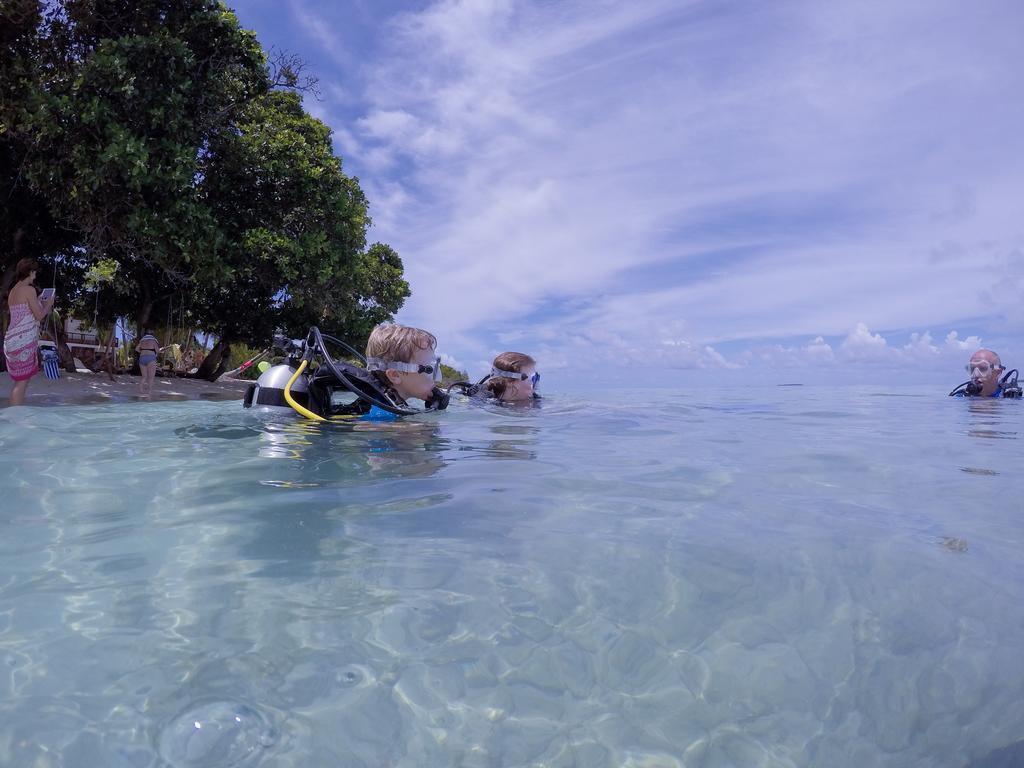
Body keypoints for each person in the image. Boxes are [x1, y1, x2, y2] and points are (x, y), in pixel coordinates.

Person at [362, 323, 449, 417]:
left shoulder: (392, 405)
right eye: (429, 370)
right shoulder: (381, 414)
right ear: (394, 375)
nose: (436, 379)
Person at [4, 258, 55, 406]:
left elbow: (24, 311)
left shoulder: (13, 290)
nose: (35, 275)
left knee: (19, 382)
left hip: (11, 339)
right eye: (34, 272)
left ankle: (14, 414)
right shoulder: (29, 289)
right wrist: (48, 304)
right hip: (22, 341)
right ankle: (15, 416)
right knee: (21, 383)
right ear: (29, 272)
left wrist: (38, 300)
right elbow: (39, 315)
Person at [135, 329, 159, 397]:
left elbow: (136, 349)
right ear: (152, 334)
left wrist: (142, 352)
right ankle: (149, 392)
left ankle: (141, 390)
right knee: (151, 377)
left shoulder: (142, 341)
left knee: (144, 376)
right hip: (151, 358)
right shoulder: (153, 340)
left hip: (142, 358)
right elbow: (157, 351)